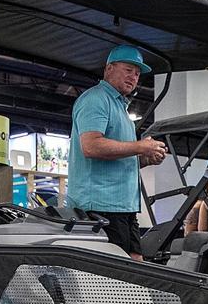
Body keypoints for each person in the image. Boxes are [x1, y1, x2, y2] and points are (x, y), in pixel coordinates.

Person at [67, 45, 167, 260]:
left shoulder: (120, 107)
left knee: (136, 267)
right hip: (100, 206)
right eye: (128, 70)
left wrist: (145, 159)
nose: (134, 77)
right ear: (109, 69)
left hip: (123, 207)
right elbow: (91, 146)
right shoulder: (95, 99)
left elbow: (117, 155)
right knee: (114, 278)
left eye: (138, 74)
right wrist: (140, 146)